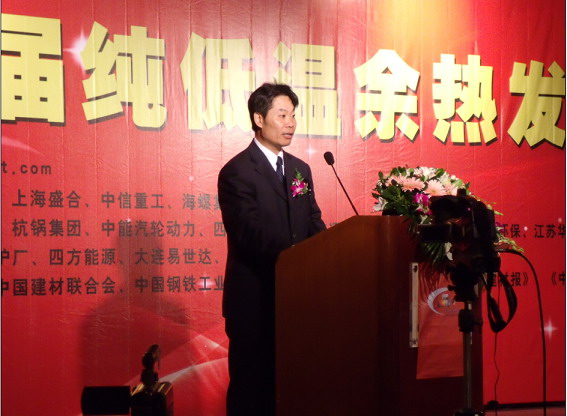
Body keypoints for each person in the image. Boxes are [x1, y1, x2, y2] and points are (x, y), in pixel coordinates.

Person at [218, 83, 326, 415]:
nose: (290, 123)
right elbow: (248, 232)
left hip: (296, 302)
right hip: (255, 301)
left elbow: (312, 219)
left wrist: (329, 251)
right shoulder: (236, 172)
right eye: (282, 115)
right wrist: (296, 258)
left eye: (293, 115)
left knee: (293, 389)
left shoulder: (299, 169)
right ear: (258, 118)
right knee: (252, 392)